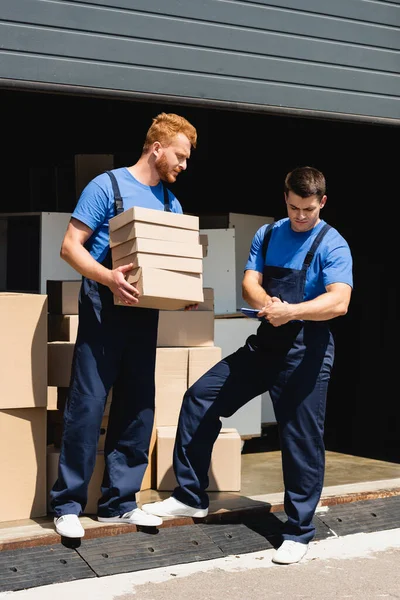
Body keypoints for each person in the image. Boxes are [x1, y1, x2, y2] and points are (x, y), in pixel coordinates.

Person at [142, 166, 353, 565]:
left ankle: (298, 531)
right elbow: (249, 282)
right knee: (201, 398)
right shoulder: (269, 234)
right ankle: (190, 496)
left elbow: (339, 301)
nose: (300, 216)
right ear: (285, 198)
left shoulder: (333, 244)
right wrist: (267, 304)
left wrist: (292, 311)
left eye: (308, 209)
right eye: (293, 207)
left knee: (300, 439)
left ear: (322, 202)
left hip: (306, 349)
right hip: (266, 343)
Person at [50, 112, 198, 539]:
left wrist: (180, 293)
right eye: (180, 156)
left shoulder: (172, 204)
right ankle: (68, 504)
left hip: (143, 313)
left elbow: (173, 264)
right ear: (157, 147)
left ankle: (118, 503)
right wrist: (108, 276)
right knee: (87, 405)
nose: (183, 165)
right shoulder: (107, 186)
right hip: (103, 306)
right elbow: (69, 247)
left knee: (137, 406)